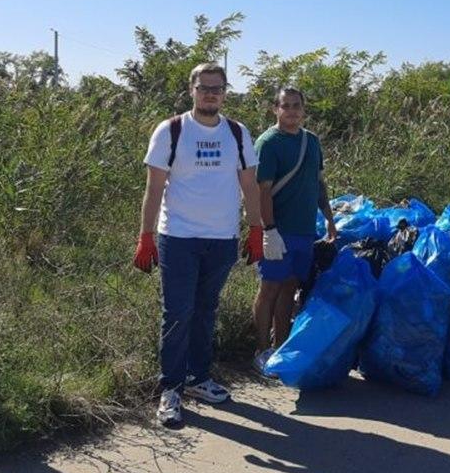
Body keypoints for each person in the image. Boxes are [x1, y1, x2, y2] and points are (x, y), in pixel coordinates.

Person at [134, 63, 263, 428]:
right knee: (178, 313)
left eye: (217, 88)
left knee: (206, 310)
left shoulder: (237, 133)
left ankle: (198, 378)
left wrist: (256, 229)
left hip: (222, 239)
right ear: (191, 89)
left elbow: (249, 186)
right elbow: (154, 189)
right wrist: (145, 236)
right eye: (204, 87)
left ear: (225, 92)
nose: (211, 94)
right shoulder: (171, 130)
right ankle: (170, 390)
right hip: (178, 237)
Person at [252, 87, 337, 373]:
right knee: (269, 289)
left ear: (304, 108)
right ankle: (262, 350)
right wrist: (269, 229)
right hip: (279, 229)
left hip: (304, 230)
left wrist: (328, 217)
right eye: (285, 106)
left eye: (296, 105)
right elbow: (262, 191)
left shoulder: (311, 141)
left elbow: (318, 182)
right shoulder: (269, 143)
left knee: (290, 288)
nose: (291, 111)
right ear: (276, 109)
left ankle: (281, 346)